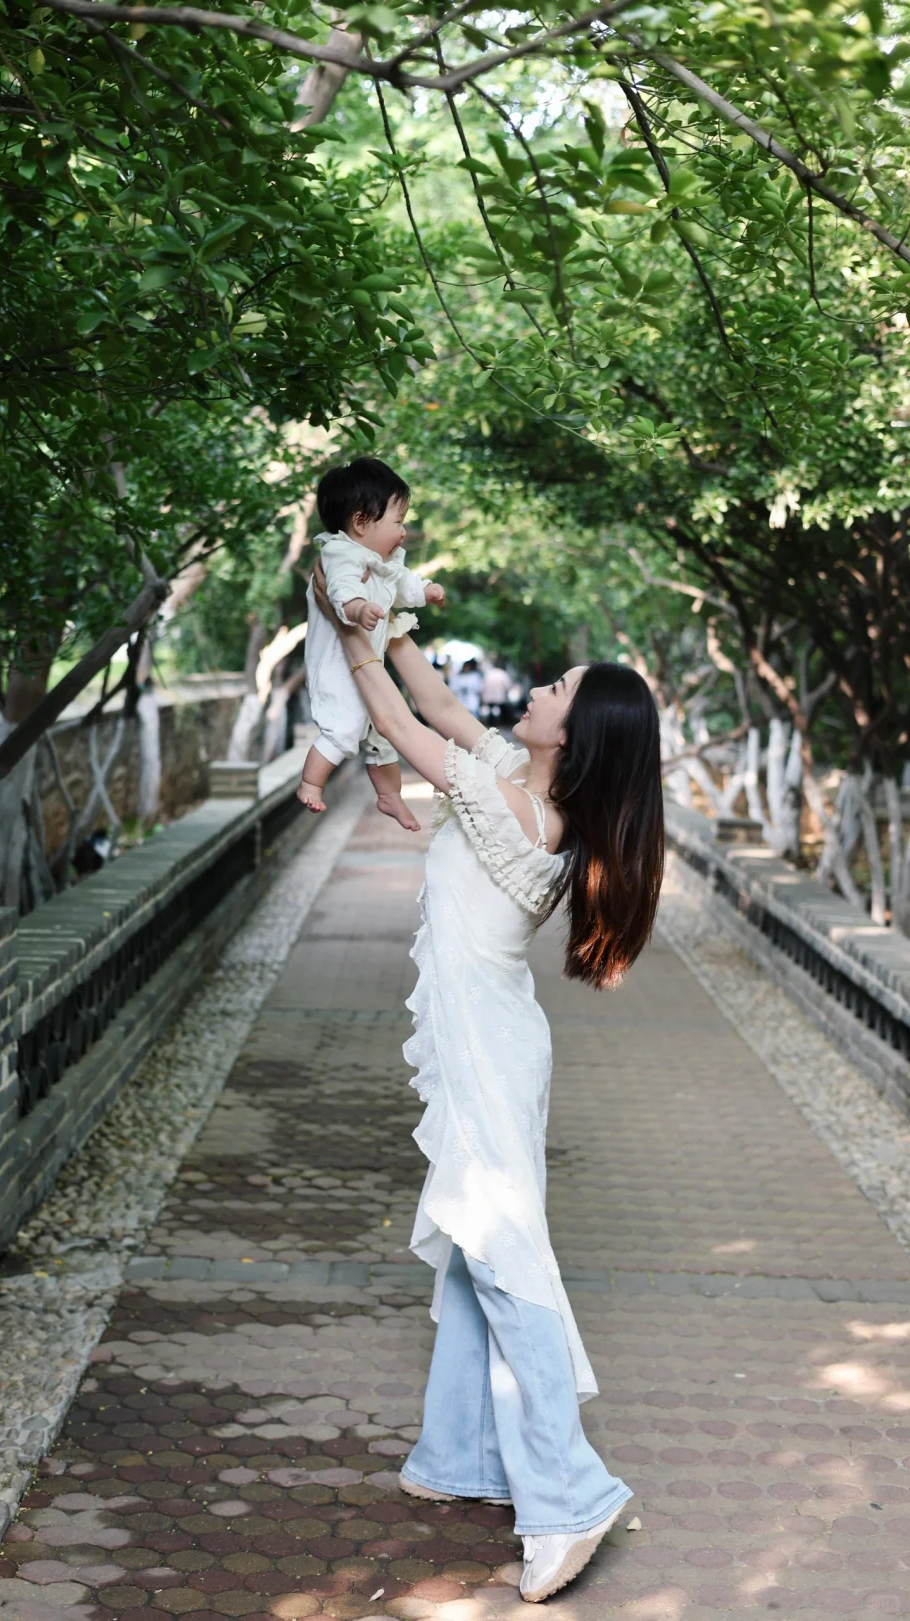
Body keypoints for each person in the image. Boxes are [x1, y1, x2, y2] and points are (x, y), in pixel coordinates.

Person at [313, 567, 664, 1602]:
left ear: (573, 735)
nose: (537, 693)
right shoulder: (519, 775)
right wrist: (396, 628)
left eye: (555, 688)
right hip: (493, 1037)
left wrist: (353, 637)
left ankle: (567, 1492)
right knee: (478, 1246)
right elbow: (439, 700)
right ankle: (462, 1454)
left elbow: (398, 717)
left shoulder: (515, 810)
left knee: (505, 1257)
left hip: (488, 1047)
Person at [299, 457, 446, 831]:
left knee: (384, 733)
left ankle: (389, 796)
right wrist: (357, 607)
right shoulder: (340, 553)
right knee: (344, 729)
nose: (404, 529)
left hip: (366, 667)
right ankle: (310, 782)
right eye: (397, 521)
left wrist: (425, 591)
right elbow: (340, 588)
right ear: (362, 522)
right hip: (337, 669)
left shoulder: (385, 560)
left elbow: (403, 583)